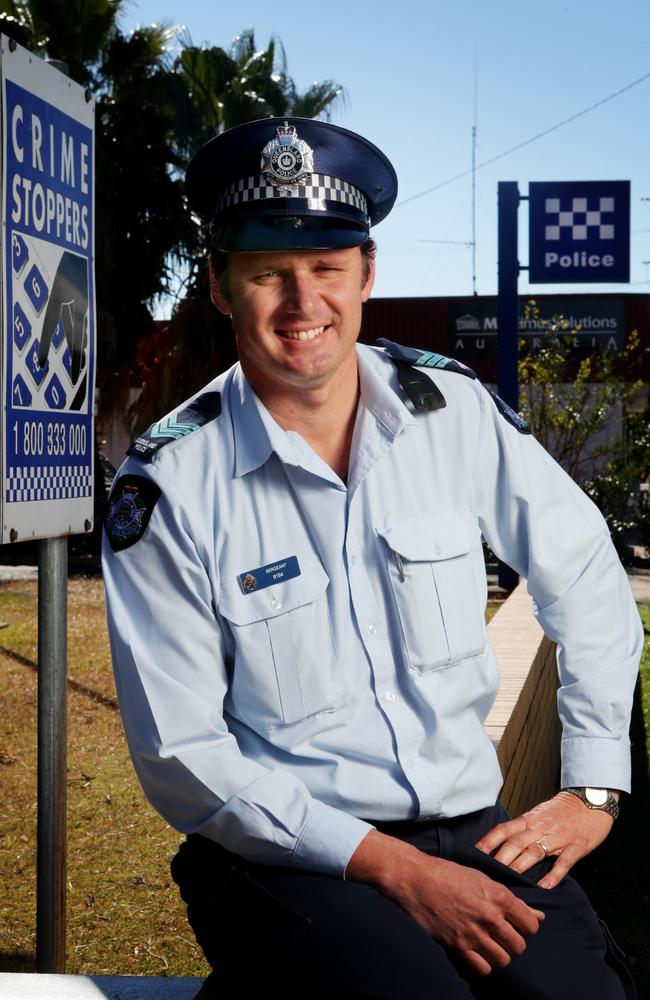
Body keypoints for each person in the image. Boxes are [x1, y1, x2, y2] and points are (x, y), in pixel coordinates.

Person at [101, 117, 642, 999]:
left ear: (367, 276)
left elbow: (582, 567)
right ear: (220, 288)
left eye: (326, 269)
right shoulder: (171, 484)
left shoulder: (451, 413)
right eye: (268, 274)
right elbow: (182, 751)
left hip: (471, 830)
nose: (302, 302)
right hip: (293, 857)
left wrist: (591, 787)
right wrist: (393, 870)